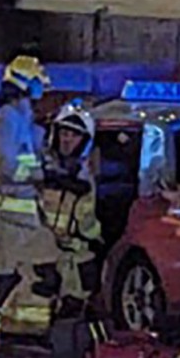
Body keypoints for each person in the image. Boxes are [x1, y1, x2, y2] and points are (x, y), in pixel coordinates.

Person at [0, 56, 61, 333]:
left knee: (25, 273)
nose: (42, 90)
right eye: (38, 82)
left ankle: (8, 327)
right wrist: (42, 174)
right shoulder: (4, 120)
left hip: (23, 217)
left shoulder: (22, 119)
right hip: (3, 216)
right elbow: (7, 166)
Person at [41, 102, 103, 314]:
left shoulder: (87, 179)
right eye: (64, 133)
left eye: (74, 135)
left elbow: (87, 222)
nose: (67, 139)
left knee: (74, 310)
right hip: (40, 252)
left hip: (73, 258)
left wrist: (94, 240)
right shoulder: (39, 169)